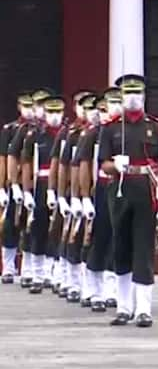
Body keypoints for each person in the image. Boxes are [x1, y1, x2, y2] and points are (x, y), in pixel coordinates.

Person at [99, 75, 158, 327]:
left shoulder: (157, 128)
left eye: (137, 93)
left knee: (143, 248)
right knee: (121, 246)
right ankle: (123, 307)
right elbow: (103, 165)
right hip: (120, 190)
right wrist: (114, 165)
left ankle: (143, 308)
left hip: (147, 190)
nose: (132, 98)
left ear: (144, 97)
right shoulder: (110, 128)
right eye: (128, 93)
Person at [76, 92, 117, 312]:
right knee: (98, 238)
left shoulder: (121, 131)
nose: (106, 113)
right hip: (99, 188)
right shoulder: (92, 134)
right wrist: (83, 197)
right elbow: (82, 166)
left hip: (120, 187)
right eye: (102, 109)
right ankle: (93, 288)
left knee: (117, 237)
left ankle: (112, 288)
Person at [49, 90, 92, 302]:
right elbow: (62, 166)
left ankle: (88, 284)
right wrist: (61, 194)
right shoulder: (70, 133)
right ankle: (70, 280)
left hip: (96, 191)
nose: (87, 110)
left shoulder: (101, 131)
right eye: (81, 105)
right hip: (72, 190)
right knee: (71, 235)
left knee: (91, 238)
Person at [21, 95, 65, 293]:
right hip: (41, 183)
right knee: (38, 228)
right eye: (51, 112)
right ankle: (37, 274)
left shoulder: (67, 133)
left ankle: (52, 272)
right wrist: (25, 191)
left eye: (58, 112)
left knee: (58, 230)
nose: (54, 117)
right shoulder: (36, 135)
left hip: (61, 185)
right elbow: (26, 162)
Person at [9, 88, 49, 288]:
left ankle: (49, 273)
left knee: (52, 229)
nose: (41, 109)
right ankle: (30, 271)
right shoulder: (26, 131)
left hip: (54, 184)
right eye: (38, 105)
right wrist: (18, 187)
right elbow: (15, 158)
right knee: (29, 226)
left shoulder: (61, 130)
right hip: (32, 183)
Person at [0, 92, 34, 284]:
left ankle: (28, 268)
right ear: (19, 106)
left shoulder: (39, 130)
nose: (29, 109)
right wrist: (3, 186)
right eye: (25, 105)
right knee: (9, 227)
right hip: (13, 183)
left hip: (31, 184)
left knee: (30, 226)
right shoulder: (10, 129)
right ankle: (9, 267)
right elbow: (4, 158)